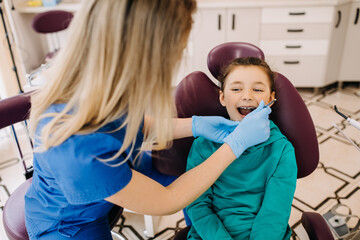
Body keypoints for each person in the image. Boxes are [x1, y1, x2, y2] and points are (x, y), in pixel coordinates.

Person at [24, 1, 272, 239]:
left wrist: (196, 124)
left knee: (199, 186)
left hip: (113, 169)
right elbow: (166, 200)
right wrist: (235, 145)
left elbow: (134, 124)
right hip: (69, 225)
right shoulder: (76, 147)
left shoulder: (105, 85)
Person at [186, 57, 298, 240]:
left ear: (271, 98)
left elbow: (274, 214)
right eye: (236, 89)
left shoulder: (282, 150)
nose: (247, 96)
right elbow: (198, 205)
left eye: (258, 89)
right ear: (222, 97)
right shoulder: (202, 145)